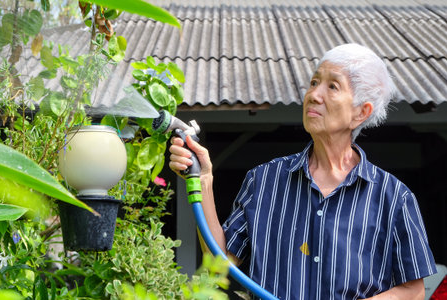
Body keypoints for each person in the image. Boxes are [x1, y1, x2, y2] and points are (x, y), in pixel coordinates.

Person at [168, 43, 436, 299]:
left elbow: (413, 291)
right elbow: (221, 265)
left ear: (360, 113)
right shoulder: (263, 181)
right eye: (314, 82)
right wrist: (203, 181)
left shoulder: (394, 197)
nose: (314, 95)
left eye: (332, 86)